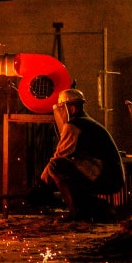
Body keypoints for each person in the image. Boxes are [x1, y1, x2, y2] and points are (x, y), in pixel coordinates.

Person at [39, 89, 125, 222]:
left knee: (57, 165)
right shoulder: (87, 122)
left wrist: (42, 184)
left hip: (105, 177)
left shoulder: (74, 125)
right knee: (67, 166)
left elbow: (60, 155)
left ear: (71, 109)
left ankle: (77, 210)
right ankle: (94, 208)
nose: (60, 113)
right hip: (108, 175)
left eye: (62, 108)